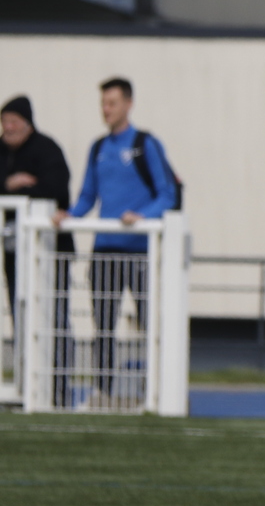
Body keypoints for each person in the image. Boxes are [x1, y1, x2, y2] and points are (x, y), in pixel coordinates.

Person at [55, 78, 177, 403]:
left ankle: (155, 390)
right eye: (103, 104)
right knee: (104, 323)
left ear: (128, 104)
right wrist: (68, 216)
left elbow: (167, 194)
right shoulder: (98, 148)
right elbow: (87, 196)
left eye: (112, 103)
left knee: (148, 322)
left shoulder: (145, 144)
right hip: (104, 250)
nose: (106, 110)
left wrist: (142, 217)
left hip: (139, 251)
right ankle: (104, 390)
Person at [2, 95, 75, 406]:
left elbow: (57, 189)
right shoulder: (2, 151)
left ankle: (58, 389)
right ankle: (27, 387)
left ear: (28, 123)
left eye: (13, 122)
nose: (8, 128)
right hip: (15, 253)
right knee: (21, 315)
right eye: (4, 122)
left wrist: (24, 188)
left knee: (54, 318)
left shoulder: (47, 149)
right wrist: (10, 183)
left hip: (51, 251)